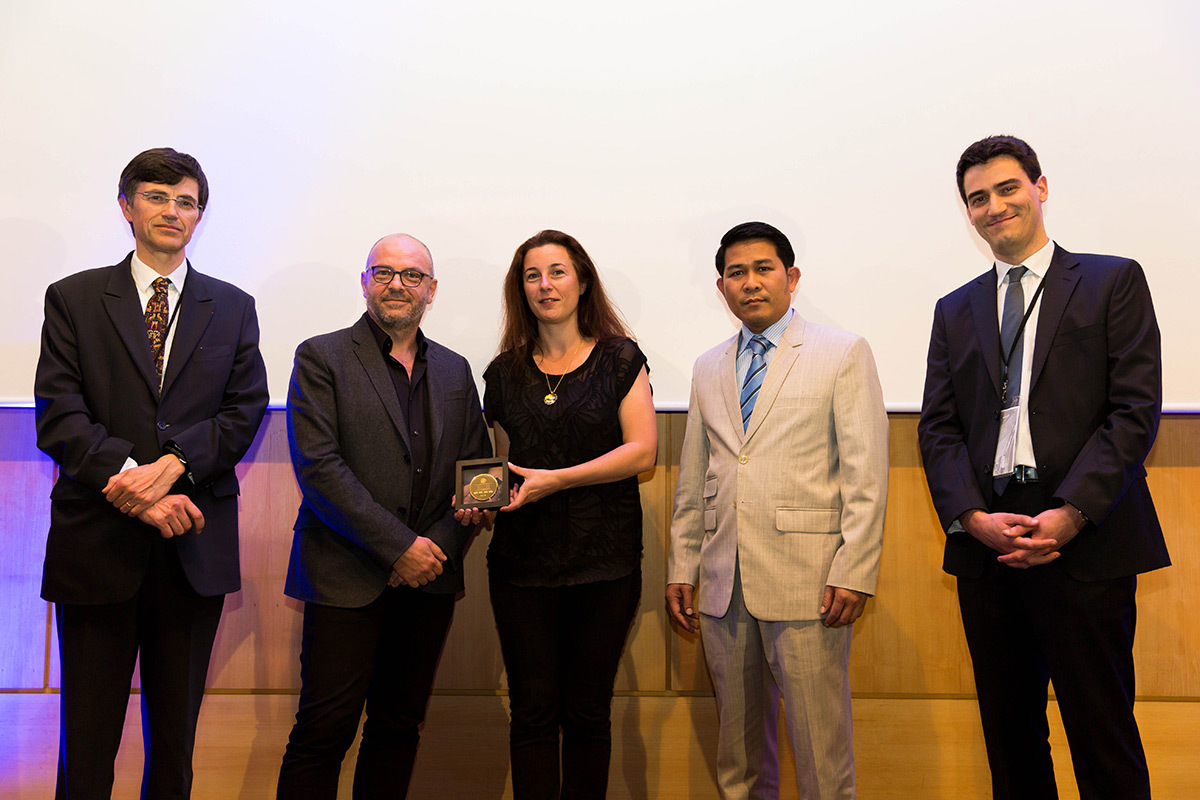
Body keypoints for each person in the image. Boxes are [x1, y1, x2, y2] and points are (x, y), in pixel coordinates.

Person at [917, 135, 1169, 800]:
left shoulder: (1113, 279)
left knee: (1102, 734)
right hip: (988, 547)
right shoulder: (954, 309)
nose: (993, 206)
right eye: (977, 198)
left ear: (1040, 187)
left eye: (1006, 189)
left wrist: (1070, 513)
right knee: (1011, 737)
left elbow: (1135, 410)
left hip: (1086, 541)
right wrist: (971, 517)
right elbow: (938, 427)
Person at [33, 147, 269, 798]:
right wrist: (136, 487)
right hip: (96, 545)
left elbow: (244, 411)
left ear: (200, 217)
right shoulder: (75, 298)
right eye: (158, 196)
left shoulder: (234, 305)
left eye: (187, 201)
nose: (173, 211)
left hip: (192, 546)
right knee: (86, 740)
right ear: (126, 207)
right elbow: (59, 416)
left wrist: (171, 466)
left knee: (175, 742)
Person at [667, 221, 888, 800]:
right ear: (722, 288)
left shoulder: (841, 352)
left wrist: (854, 570)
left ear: (791, 277)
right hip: (722, 584)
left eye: (763, 269)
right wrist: (680, 566)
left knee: (820, 753)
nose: (750, 283)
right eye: (736, 273)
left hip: (810, 581)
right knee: (737, 757)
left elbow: (866, 475)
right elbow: (696, 479)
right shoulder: (707, 366)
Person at [276, 234, 492, 798]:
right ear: (366, 281)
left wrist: (433, 550)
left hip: (429, 579)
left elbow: (475, 477)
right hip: (344, 573)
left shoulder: (454, 368)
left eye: (413, 275)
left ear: (431, 289)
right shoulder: (321, 356)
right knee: (323, 732)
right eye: (384, 272)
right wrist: (400, 548)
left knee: (398, 727)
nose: (398, 284)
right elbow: (320, 469)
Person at [482, 229, 656, 799]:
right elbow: (487, 464)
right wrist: (477, 499)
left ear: (582, 281)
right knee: (531, 713)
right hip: (520, 566)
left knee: (586, 713)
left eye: (557, 272)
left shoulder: (619, 358)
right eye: (532, 275)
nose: (545, 285)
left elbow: (643, 451)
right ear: (520, 289)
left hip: (603, 565)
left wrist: (557, 480)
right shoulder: (502, 372)